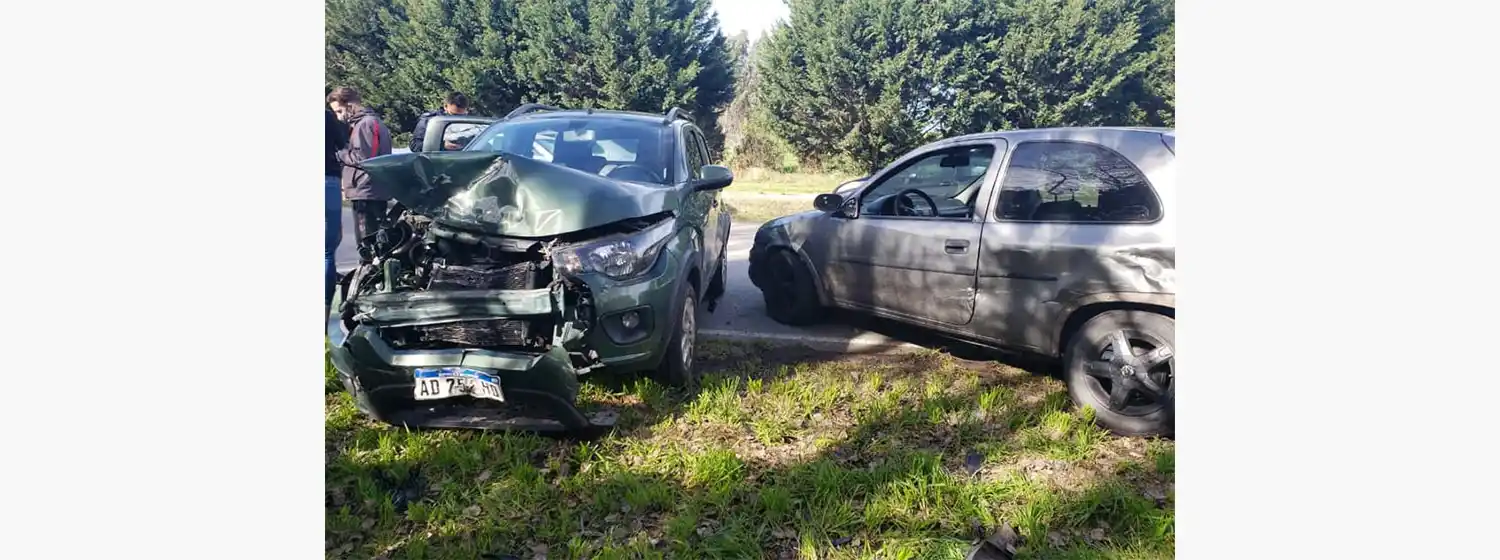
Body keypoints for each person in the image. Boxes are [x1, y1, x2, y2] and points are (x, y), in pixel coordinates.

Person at [327, 86, 393, 254]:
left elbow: (363, 158)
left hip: (365, 189)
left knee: (367, 245)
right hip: (370, 187)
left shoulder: (365, 124)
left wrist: (340, 154)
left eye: (340, 111)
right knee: (375, 241)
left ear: (350, 104)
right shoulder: (371, 122)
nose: (339, 116)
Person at [324, 107, 349, 314]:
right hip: (327, 179)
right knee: (326, 251)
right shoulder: (326, 116)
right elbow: (342, 144)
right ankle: (325, 311)